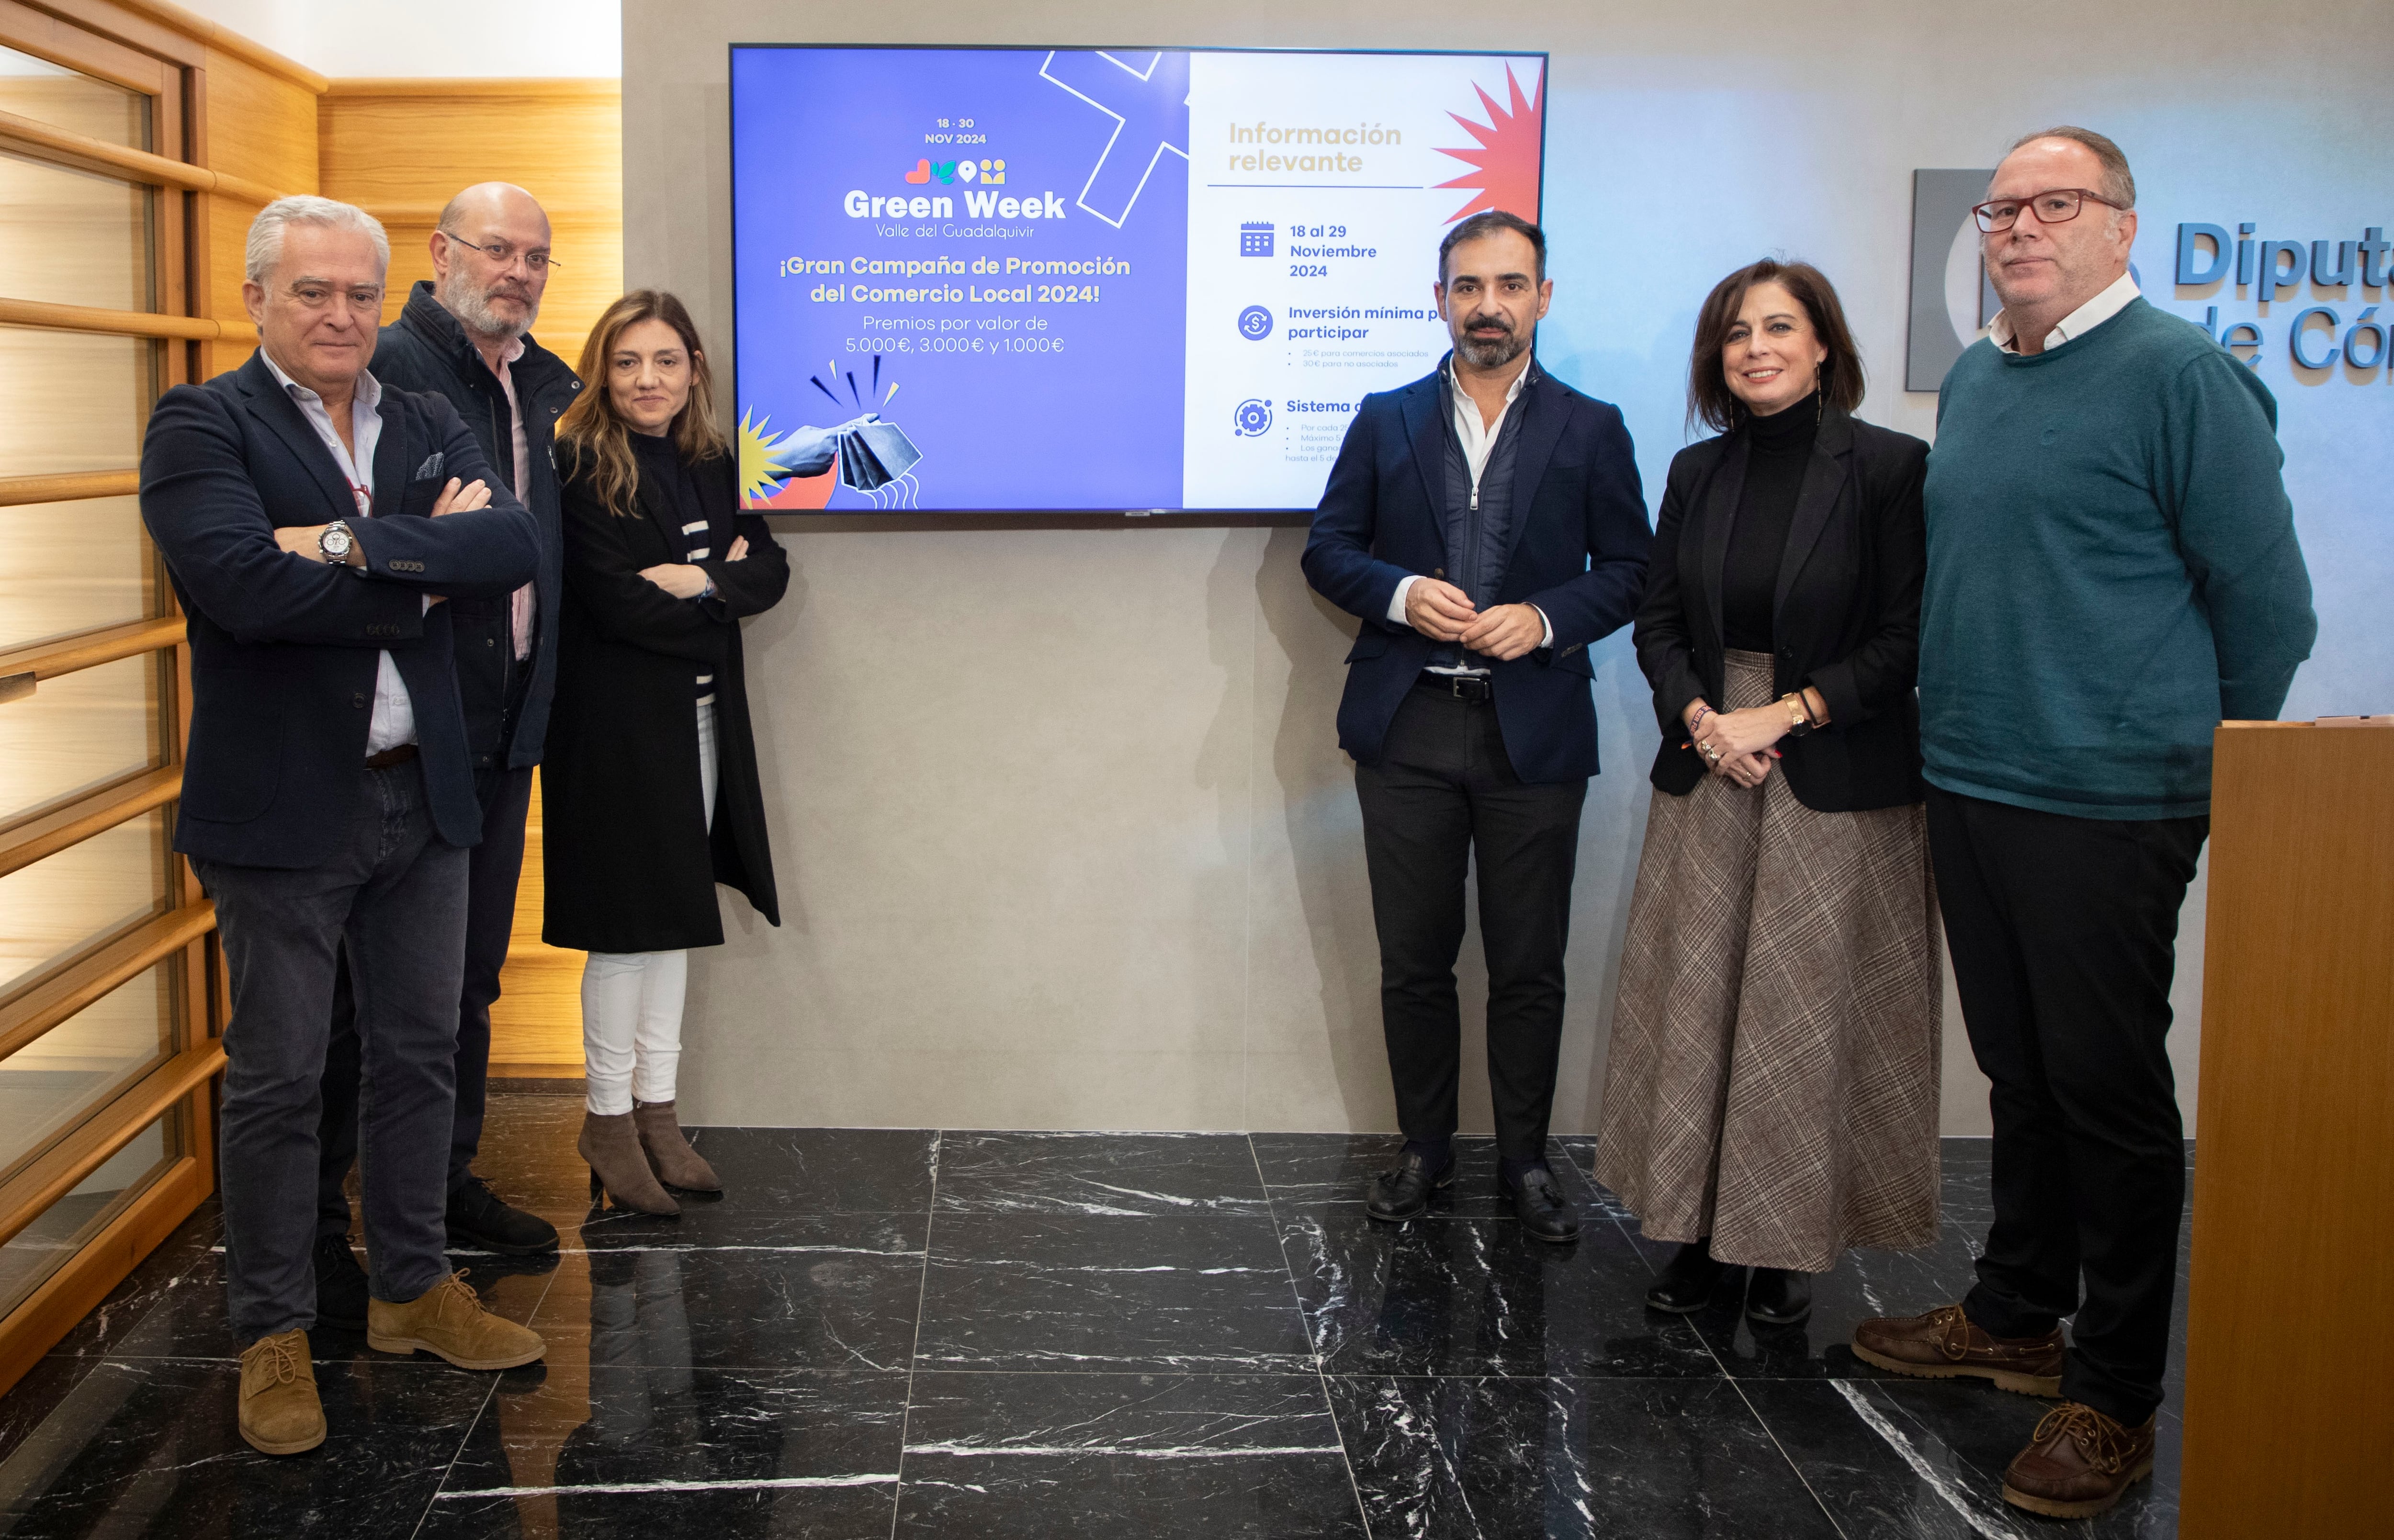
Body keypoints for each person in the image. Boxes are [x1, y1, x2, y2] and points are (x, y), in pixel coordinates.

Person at [1849, 127, 2315, 1520]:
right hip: (1976, 780)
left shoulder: (2185, 378)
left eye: (2056, 204)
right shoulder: (1988, 376)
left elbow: (2269, 609)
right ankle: (2015, 1313)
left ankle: (2114, 1394)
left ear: (2124, 225)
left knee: (2108, 1096)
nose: (2019, 227)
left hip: (2111, 800)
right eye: (2002, 207)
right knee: (2025, 1077)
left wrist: (2183, 759)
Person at [138, 195, 548, 1456]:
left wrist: (346, 546)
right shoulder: (202, 422)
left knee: (422, 1052)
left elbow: (514, 544)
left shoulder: (422, 412)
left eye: (360, 295)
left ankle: (412, 1289)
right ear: (256, 296)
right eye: (312, 291)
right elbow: (238, 586)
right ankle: (271, 1328)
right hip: (281, 813)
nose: (341, 315)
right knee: (279, 1078)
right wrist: (420, 574)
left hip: (420, 795)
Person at [1595, 260, 1938, 1330]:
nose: (1756, 347)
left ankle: (1783, 1246)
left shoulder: (1892, 469)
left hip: (1830, 770)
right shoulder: (1697, 473)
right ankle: (1695, 1237)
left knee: (1798, 1015)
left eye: (1780, 327)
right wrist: (1703, 719)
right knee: (1699, 1006)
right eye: (1736, 332)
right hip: (1709, 762)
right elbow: (1656, 623)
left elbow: (1904, 639)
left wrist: (1781, 715)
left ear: (1824, 344)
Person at [1301, 210, 1650, 1242]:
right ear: (1440, 298)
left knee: (1528, 962)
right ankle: (1422, 1152)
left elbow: (1633, 570)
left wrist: (1544, 618)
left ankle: (1528, 1162)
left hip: (1531, 732)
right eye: (1466, 286)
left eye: (1508, 285)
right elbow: (1328, 550)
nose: (1486, 305)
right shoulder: (1385, 416)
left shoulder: (1592, 428)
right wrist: (1404, 594)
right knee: (1413, 960)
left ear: (1543, 298)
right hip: (1406, 725)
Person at [309, 183, 582, 1329]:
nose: (516, 271)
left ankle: (437, 1189)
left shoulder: (542, 383)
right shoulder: (397, 374)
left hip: (502, 726)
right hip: (403, 728)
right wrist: (439, 541)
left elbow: (513, 542)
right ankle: (322, 1223)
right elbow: (389, 550)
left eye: (535, 256)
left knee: (463, 986)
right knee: (345, 1008)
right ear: (441, 254)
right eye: (497, 249)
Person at [542, 290, 797, 1214]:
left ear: (695, 370)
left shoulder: (714, 460)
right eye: (627, 362)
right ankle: (606, 1117)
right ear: (601, 372)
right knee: (625, 932)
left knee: (675, 917)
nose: (648, 381)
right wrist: (715, 606)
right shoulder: (574, 465)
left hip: (696, 723)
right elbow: (613, 606)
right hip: (614, 733)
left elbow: (768, 568)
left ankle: (657, 1112)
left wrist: (700, 581)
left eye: (666, 362)